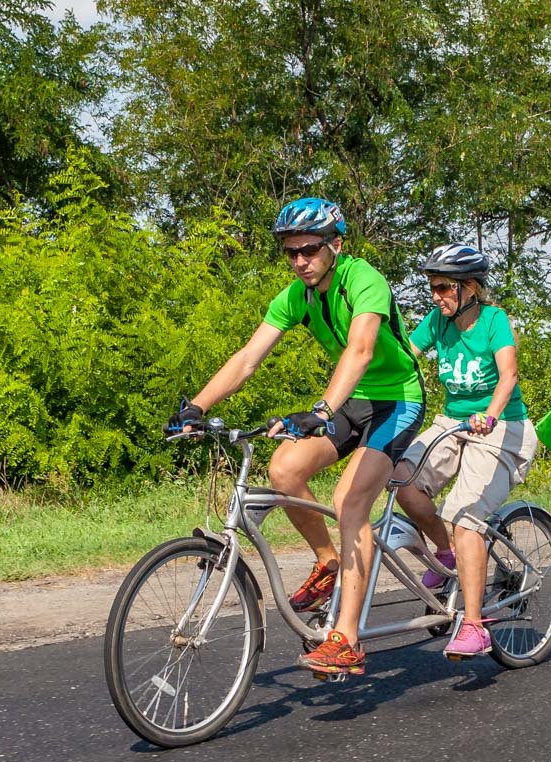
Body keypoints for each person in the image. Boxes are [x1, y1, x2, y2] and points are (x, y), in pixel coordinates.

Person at [164, 197, 426, 677]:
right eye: (291, 252)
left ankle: (346, 639)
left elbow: (362, 349)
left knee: (350, 501)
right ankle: (328, 562)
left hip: (397, 400)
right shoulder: (296, 296)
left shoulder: (363, 280)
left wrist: (321, 410)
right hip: (351, 401)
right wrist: (197, 406)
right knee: (284, 468)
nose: (300, 260)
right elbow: (248, 358)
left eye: (309, 249)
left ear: (335, 245)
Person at [392, 243, 538, 659]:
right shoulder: (438, 321)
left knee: (465, 516)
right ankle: (447, 555)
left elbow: (508, 375)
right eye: (432, 288)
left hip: (501, 428)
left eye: (442, 287)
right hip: (453, 423)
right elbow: (405, 356)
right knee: (402, 480)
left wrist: (490, 415)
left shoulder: (494, 320)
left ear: (469, 288)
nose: (435, 296)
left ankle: (474, 625)